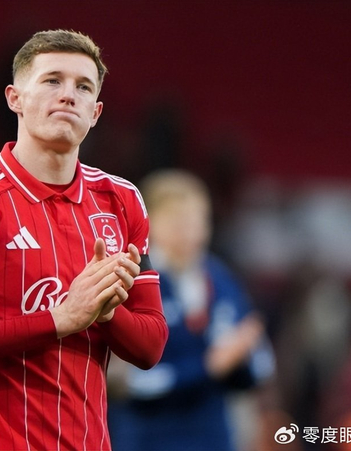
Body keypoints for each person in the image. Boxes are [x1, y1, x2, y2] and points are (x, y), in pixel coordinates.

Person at [0, 29, 168, 451]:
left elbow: (151, 345)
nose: (68, 95)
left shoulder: (122, 201)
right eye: (52, 80)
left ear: (96, 112)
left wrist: (104, 313)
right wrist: (59, 319)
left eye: (83, 87)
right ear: (15, 98)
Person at [108, 169, 275, 451]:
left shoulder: (220, 278)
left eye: (199, 221)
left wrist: (242, 358)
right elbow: (125, 382)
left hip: (213, 438)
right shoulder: (131, 279)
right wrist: (207, 367)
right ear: (151, 223)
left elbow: (261, 365)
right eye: (179, 221)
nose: (191, 232)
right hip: (149, 439)